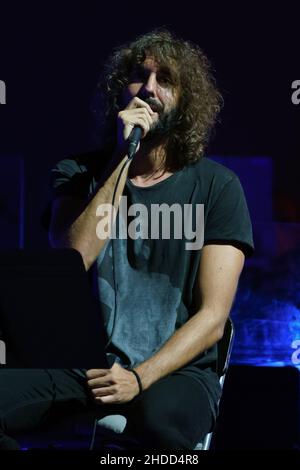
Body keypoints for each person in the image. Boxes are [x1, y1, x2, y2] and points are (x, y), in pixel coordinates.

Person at [0, 29, 254, 450]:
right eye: (139, 76)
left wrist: (139, 378)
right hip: (83, 366)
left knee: (160, 428)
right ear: (120, 92)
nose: (150, 89)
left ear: (186, 101)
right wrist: (123, 157)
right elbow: (72, 259)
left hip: (178, 370)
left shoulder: (217, 187)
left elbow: (213, 317)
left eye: (166, 80)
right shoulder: (79, 172)